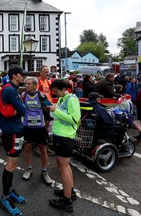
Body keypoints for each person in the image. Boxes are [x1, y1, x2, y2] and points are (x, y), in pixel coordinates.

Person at [0, 65, 28, 215]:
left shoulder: (11, 88)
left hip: (15, 130)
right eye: (22, 75)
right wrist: (19, 108)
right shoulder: (10, 89)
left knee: (13, 164)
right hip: (12, 132)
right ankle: (4, 198)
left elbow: (20, 109)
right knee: (11, 165)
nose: (24, 77)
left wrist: (18, 108)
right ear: (15, 75)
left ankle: (9, 191)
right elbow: (23, 110)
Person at [47, 79, 81, 212]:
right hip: (60, 135)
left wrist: (56, 110)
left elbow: (74, 119)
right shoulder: (63, 99)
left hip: (65, 137)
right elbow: (61, 116)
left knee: (64, 168)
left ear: (63, 89)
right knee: (64, 167)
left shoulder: (72, 99)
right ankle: (69, 192)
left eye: (56, 91)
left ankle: (67, 201)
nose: (54, 93)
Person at [21, 77, 54, 186]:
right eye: (26, 84)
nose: (26, 86)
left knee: (43, 148)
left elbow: (50, 107)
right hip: (28, 126)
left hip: (40, 127)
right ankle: (28, 169)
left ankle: (44, 171)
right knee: (28, 147)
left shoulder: (41, 95)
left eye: (29, 84)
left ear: (35, 85)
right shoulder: (23, 95)